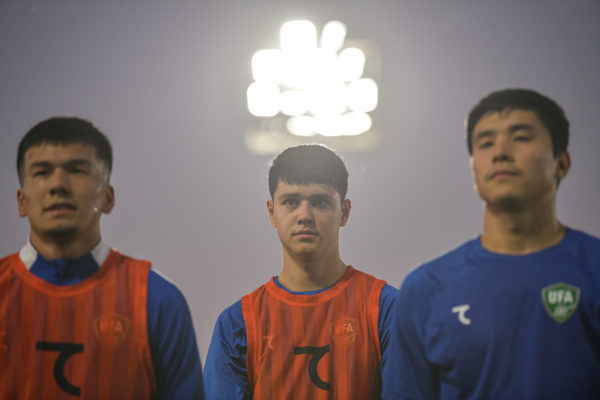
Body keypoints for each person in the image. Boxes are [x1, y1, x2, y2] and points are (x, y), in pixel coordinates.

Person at [390, 88, 600, 399]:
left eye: (521, 138)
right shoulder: (425, 288)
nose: (500, 152)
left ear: (562, 163)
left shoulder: (594, 269)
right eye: (486, 143)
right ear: (473, 167)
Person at [0, 117, 204, 399]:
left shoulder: (157, 301)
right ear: (21, 201)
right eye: (42, 172)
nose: (58, 184)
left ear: (108, 197)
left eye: (77, 170)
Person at [203, 144, 398, 399]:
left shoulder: (387, 310)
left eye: (320, 202)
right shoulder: (238, 323)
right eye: (291, 202)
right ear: (272, 212)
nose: (304, 215)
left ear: (344, 212)